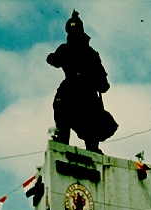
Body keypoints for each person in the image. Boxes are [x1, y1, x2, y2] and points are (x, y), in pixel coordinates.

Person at [47, 10, 118, 154]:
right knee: (62, 113)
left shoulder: (91, 54)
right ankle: (62, 145)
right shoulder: (66, 49)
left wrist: (94, 80)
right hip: (70, 89)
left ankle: (91, 148)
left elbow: (104, 83)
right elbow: (52, 59)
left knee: (91, 122)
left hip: (87, 92)